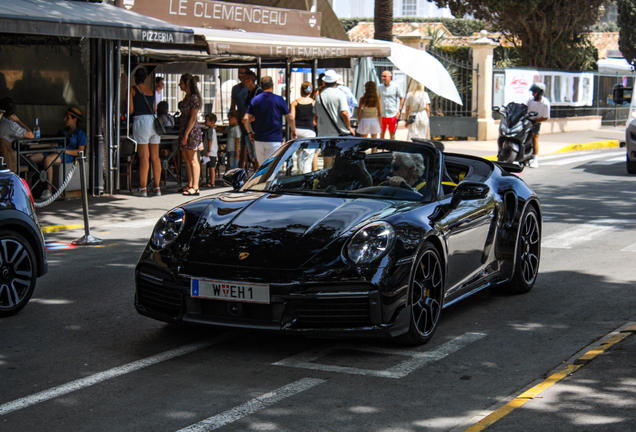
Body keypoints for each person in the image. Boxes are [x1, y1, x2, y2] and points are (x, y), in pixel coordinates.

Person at [30, 107, 86, 200]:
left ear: (75, 120)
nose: (64, 119)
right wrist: (52, 146)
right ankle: (29, 189)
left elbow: (79, 151)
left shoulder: (80, 133)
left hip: (67, 154)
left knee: (48, 159)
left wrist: (63, 151)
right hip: (54, 151)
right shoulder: (62, 131)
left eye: (67, 117)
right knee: (31, 158)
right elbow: (54, 142)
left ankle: (49, 190)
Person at [243, 76, 296, 165]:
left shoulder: (255, 100)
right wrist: (293, 130)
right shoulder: (279, 99)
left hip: (259, 139)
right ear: (272, 85)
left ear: (261, 86)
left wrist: (250, 132)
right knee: (272, 168)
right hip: (274, 140)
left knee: (262, 168)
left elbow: (245, 119)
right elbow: (290, 118)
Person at [130, 67, 161, 197]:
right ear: (146, 78)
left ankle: (143, 188)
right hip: (153, 121)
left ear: (135, 78)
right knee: (155, 157)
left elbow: (130, 109)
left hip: (141, 121)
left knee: (144, 157)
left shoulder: (132, 90)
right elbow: (154, 107)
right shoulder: (151, 91)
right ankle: (157, 187)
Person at [178, 73, 203, 196]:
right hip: (185, 130)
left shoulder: (193, 98)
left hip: (191, 131)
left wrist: (186, 134)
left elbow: (193, 118)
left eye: (181, 82)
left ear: (186, 84)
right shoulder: (188, 97)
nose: (179, 85)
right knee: (187, 159)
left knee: (193, 159)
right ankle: (190, 183)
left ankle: (196, 186)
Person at [314, 70, 355, 137]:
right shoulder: (340, 94)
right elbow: (344, 113)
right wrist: (349, 127)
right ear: (336, 82)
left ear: (324, 82)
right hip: (339, 134)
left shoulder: (319, 97)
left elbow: (316, 116)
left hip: (323, 134)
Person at [0, 97, 33, 173]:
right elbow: (30, 135)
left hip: (2, 159)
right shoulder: (10, 125)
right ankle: (25, 184)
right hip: (10, 159)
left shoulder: (1, 122)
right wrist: (18, 121)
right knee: (33, 166)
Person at [291, 81, 317, 173]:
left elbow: (292, 118)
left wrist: (293, 130)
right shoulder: (314, 102)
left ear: (301, 90)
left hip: (297, 130)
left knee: (298, 154)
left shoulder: (295, 102)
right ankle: (306, 176)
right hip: (309, 131)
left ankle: (299, 174)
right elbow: (316, 118)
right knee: (308, 156)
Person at [239, 71, 262, 170]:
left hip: (256, 128)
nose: (242, 81)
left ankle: (258, 178)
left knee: (258, 155)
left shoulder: (258, 92)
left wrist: (254, 117)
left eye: (243, 79)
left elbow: (262, 109)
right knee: (252, 154)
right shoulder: (248, 93)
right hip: (249, 128)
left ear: (249, 80)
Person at [526, 82, 550, 168]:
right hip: (527, 119)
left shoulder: (545, 103)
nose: (533, 94)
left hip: (536, 121)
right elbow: (525, 109)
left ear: (540, 92)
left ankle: (535, 159)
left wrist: (535, 121)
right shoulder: (530, 100)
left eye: (535, 92)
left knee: (534, 137)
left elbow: (546, 117)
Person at [379, 70, 405, 140]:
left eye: (385, 76)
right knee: (381, 133)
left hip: (392, 113)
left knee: (392, 134)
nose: (383, 78)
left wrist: (399, 110)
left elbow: (401, 98)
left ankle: (391, 148)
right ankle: (382, 148)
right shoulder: (379, 87)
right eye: (382, 76)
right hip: (383, 114)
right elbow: (378, 98)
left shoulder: (396, 86)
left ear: (390, 77)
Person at [201, 113, 218, 188]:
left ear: (212, 122)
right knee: (211, 167)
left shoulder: (210, 130)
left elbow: (210, 140)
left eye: (206, 120)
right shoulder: (212, 130)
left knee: (211, 168)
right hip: (213, 152)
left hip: (211, 152)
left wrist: (208, 150)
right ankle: (210, 180)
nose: (205, 122)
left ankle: (212, 182)